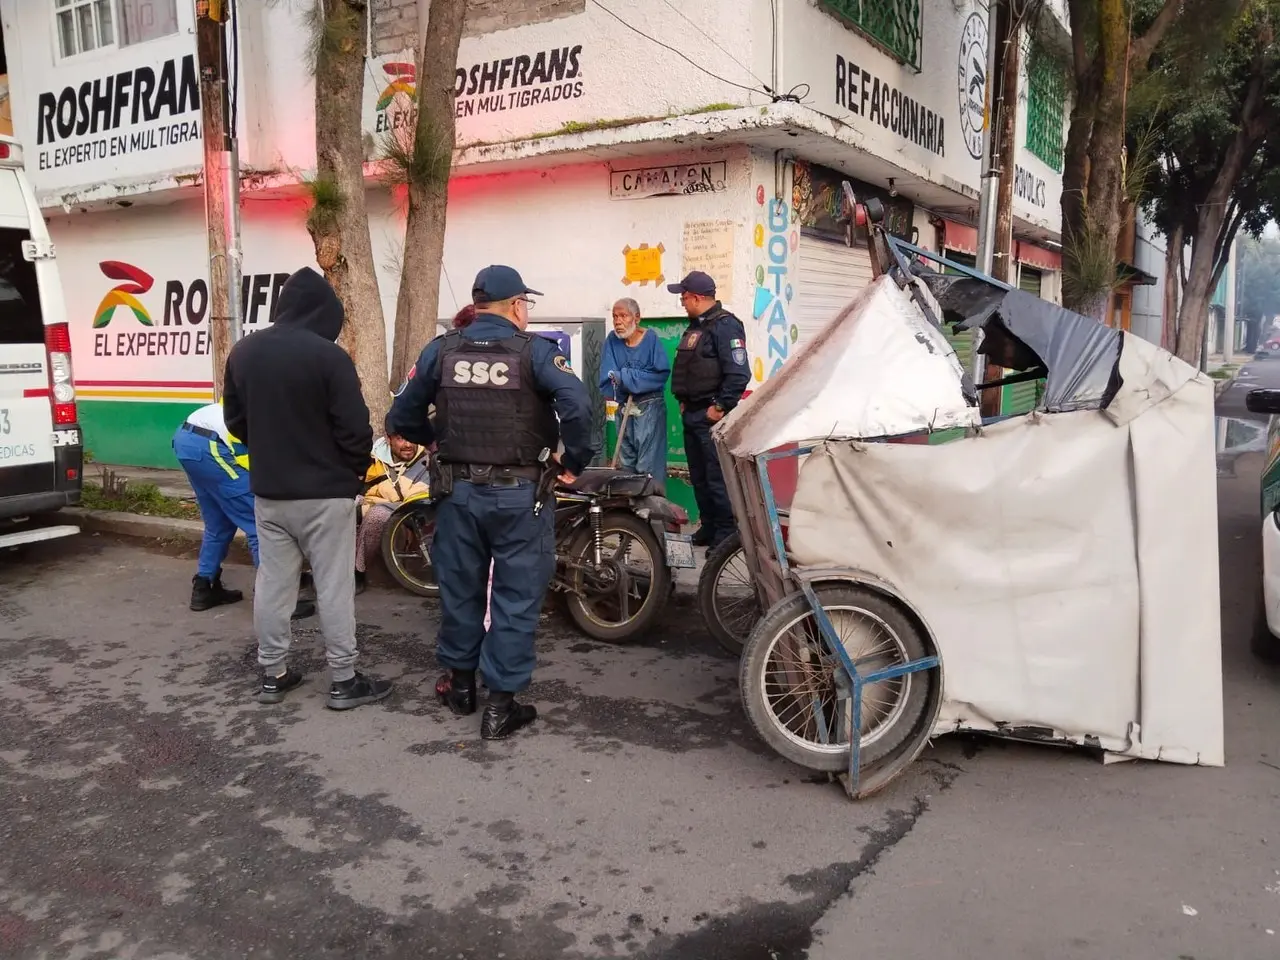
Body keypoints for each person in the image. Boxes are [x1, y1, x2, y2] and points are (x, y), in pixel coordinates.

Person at [387, 265, 595, 740]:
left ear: (479, 305)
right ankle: (500, 708)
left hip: (457, 495)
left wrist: (435, 443)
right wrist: (573, 461)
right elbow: (578, 407)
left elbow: (402, 413)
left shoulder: (441, 350)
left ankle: (460, 688)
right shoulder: (535, 353)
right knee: (516, 598)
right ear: (518, 306)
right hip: (521, 497)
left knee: (460, 590)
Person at [223, 266, 392, 710]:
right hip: (325, 496)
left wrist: (271, 450)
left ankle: (274, 674)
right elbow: (356, 430)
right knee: (333, 586)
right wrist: (352, 474)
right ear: (324, 314)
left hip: (270, 492)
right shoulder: (329, 357)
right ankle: (343, 679)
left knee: (273, 584)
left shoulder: (243, 353)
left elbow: (235, 422)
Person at [172, 402, 317, 621]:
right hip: (211, 446)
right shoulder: (266, 420)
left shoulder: (262, 405)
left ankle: (204, 587)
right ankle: (273, 601)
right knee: (259, 523)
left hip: (186, 440)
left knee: (219, 522)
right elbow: (251, 465)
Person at [667, 270, 751, 553]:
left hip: (710, 416)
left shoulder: (725, 326)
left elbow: (738, 374)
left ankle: (726, 536)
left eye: (684, 297)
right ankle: (710, 526)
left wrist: (719, 408)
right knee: (699, 476)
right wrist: (684, 401)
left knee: (716, 477)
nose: (682, 302)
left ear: (697, 297)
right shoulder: (696, 327)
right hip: (693, 414)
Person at [599, 298, 670, 486]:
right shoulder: (612, 340)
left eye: (623, 316)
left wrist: (626, 377)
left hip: (650, 406)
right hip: (624, 406)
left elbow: (659, 374)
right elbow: (609, 375)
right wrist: (630, 378)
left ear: (636, 318)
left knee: (649, 464)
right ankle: (629, 511)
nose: (617, 321)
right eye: (614, 316)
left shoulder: (651, 339)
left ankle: (652, 510)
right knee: (626, 462)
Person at [355, 433, 431, 593]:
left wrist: (378, 500)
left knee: (378, 515)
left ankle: (358, 571)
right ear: (389, 440)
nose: (408, 444)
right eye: (401, 439)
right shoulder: (372, 458)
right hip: (373, 505)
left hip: (412, 516)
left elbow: (412, 497)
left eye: (411, 438)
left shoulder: (426, 460)